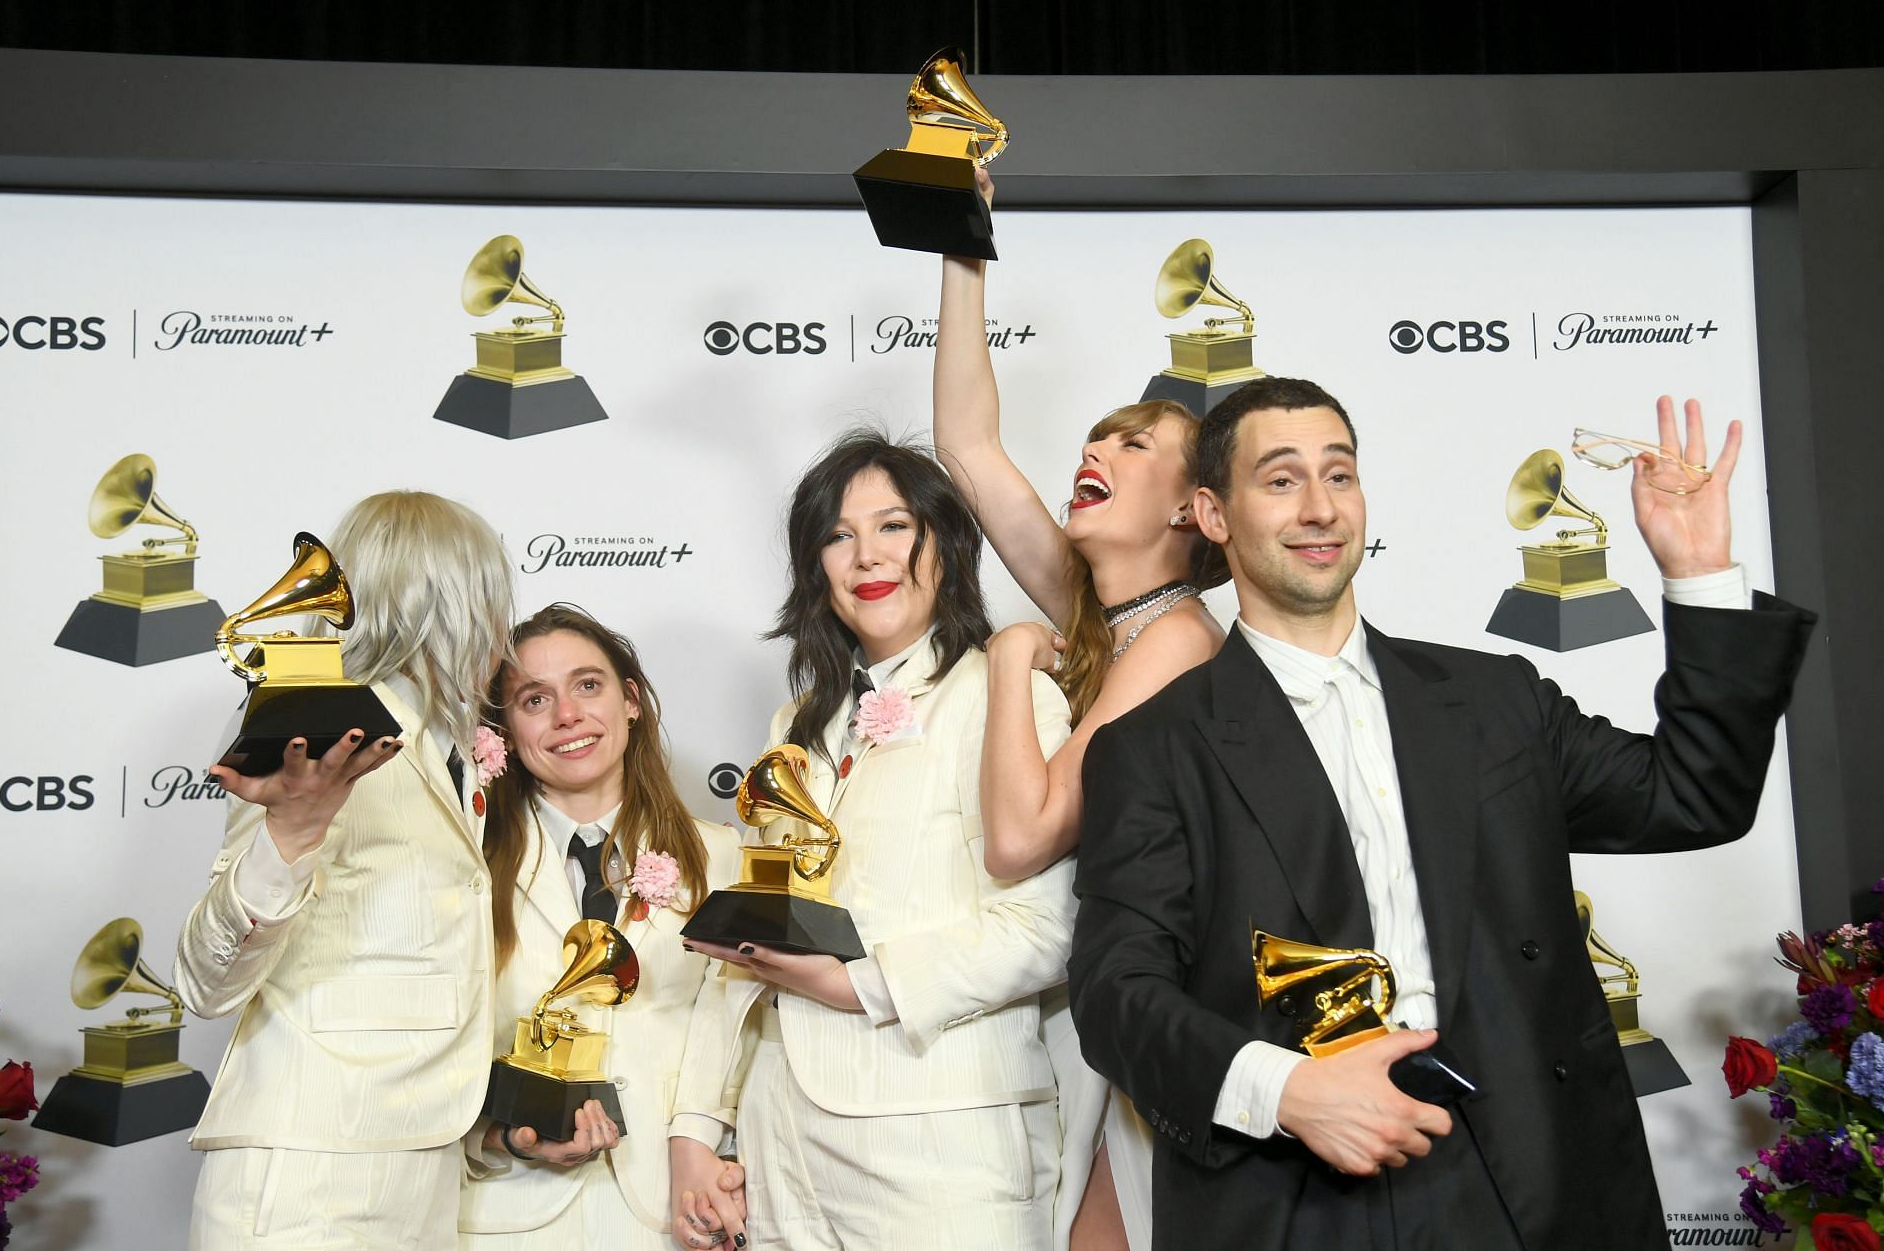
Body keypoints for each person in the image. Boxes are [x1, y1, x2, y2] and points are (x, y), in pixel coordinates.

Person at [1067, 382, 1814, 1250]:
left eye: (1339, 475)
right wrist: (1286, 1092)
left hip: (1539, 1173)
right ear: (1213, 513)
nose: (1319, 508)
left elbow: (1697, 793)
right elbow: (1115, 994)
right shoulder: (1154, 746)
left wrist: (1698, 575)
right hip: (1298, 1191)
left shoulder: (1496, 700)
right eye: (1279, 481)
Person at [686, 431, 1076, 1249]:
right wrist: (700, 1126)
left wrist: (855, 984)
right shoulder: (795, 725)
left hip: (941, 1149)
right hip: (779, 1144)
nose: (868, 555)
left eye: (894, 526)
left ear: (947, 543)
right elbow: (757, 934)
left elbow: (1044, 934)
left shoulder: (1011, 700)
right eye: (838, 534)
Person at [932, 169, 1227, 1249]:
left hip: (1160, 1004)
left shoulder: (1180, 640)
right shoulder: (1113, 615)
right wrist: (962, 243)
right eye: (1097, 435)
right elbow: (967, 445)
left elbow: (1023, 834)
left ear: (1196, 512)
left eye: (1134, 443)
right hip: (1092, 990)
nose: (1094, 450)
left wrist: (1012, 659)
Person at [174, 490, 516, 1249]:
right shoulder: (320, 733)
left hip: (421, 1172)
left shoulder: (445, 751)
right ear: (455, 604)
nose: (506, 630)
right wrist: (290, 833)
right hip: (314, 1180)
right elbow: (206, 982)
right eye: (495, 599)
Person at [458, 604, 747, 1250]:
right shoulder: (465, 866)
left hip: (670, 1209)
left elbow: (730, 1020)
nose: (568, 716)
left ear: (632, 700)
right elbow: (434, 1044)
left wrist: (698, 1144)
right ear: (502, 731)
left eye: (588, 685)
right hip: (505, 1215)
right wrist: (501, 1136)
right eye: (535, 699)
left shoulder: (719, 855)